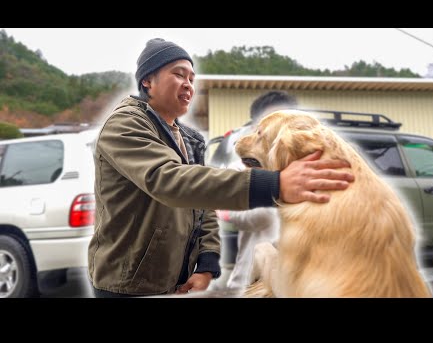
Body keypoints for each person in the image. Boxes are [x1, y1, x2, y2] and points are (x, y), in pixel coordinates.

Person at [87, 38, 355, 297]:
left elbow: (202, 205)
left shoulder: (190, 139)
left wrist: (206, 262)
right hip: (128, 283)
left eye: (192, 78)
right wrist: (275, 184)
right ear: (147, 80)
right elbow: (168, 180)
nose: (188, 85)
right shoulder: (125, 125)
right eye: (179, 75)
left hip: (174, 279)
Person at [216, 91, 298, 291]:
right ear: (256, 129)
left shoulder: (305, 168)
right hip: (252, 283)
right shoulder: (239, 169)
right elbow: (248, 217)